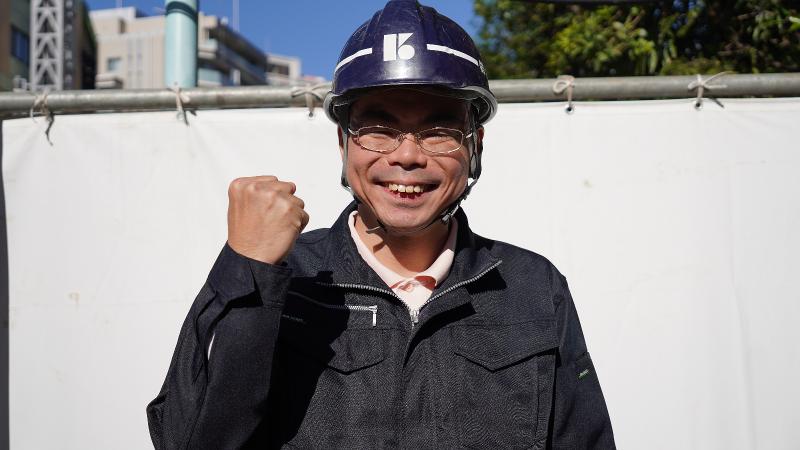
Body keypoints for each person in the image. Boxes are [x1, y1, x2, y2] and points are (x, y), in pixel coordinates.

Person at [146, 0, 615, 448]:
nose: (407, 155)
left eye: (439, 130)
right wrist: (246, 269)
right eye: (379, 129)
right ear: (343, 143)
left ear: (475, 144)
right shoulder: (286, 280)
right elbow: (188, 440)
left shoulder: (534, 287)